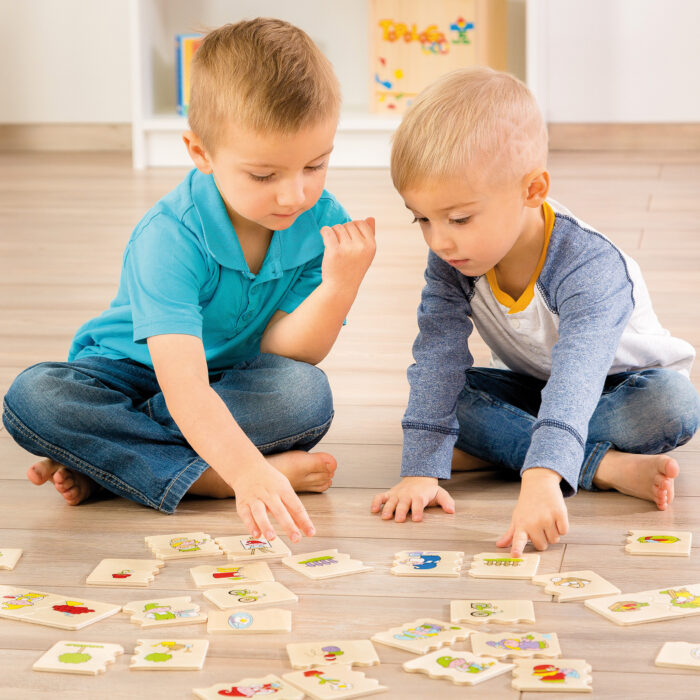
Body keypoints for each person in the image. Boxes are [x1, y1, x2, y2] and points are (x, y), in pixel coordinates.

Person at [2, 19, 376, 544]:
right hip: (127, 374)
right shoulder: (169, 236)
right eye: (264, 175)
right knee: (34, 398)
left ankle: (110, 461)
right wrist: (245, 474)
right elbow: (182, 384)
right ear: (201, 153)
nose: (294, 196)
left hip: (226, 383)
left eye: (315, 165)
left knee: (304, 396)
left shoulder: (321, 220)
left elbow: (288, 349)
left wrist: (340, 285)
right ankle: (206, 479)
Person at [371, 67, 699, 556]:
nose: (439, 240)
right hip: (536, 386)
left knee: (674, 403)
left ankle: (519, 447)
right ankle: (601, 467)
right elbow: (438, 358)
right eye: (421, 218)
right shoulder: (452, 258)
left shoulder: (589, 266)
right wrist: (420, 470)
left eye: (459, 218)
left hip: (619, 388)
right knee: (442, 394)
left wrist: (543, 478)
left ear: (532, 190)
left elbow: (577, 380)